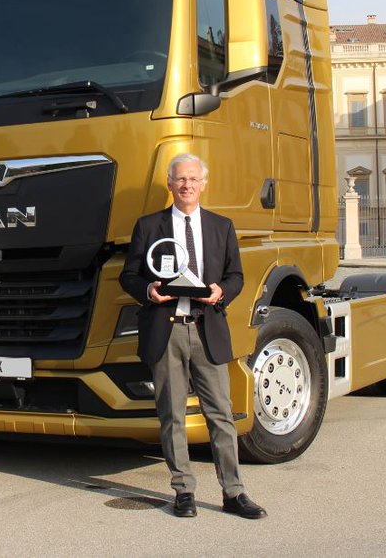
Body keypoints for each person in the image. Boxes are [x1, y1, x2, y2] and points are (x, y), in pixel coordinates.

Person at [119, 153, 266, 519]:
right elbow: (129, 275)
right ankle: (183, 490)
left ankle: (234, 493)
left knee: (221, 415)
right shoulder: (148, 226)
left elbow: (236, 276)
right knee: (172, 416)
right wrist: (148, 290)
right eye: (180, 179)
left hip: (206, 330)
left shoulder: (222, 226)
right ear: (170, 185)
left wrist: (221, 293)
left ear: (203, 184)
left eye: (193, 179)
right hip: (165, 332)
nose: (186, 185)